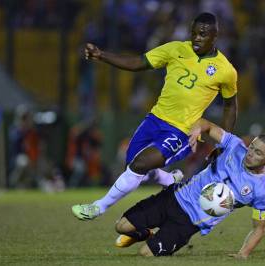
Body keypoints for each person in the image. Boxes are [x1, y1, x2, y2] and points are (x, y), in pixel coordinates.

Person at [72, 12, 238, 220]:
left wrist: (224, 143)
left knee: (140, 165)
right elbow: (138, 63)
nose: (196, 38)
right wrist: (101, 55)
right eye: (194, 33)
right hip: (154, 119)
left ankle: (98, 207)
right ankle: (171, 180)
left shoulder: (226, 70)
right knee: (132, 164)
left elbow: (230, 106)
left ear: (215, 35)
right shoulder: (175, 48)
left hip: (182, 130)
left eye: (203, 34)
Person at [112, 118, 265, 258]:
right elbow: (206, 125)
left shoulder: (261, 191)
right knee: (121, 226)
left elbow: (259, 229)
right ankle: (145, 233)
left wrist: (243, 254)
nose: (250, 153)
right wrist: (197, 130)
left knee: (145, 254)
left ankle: (157, 238)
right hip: (175, 196)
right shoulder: (234, 146)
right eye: (252, 147)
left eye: (258, 153)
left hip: (189, 222)